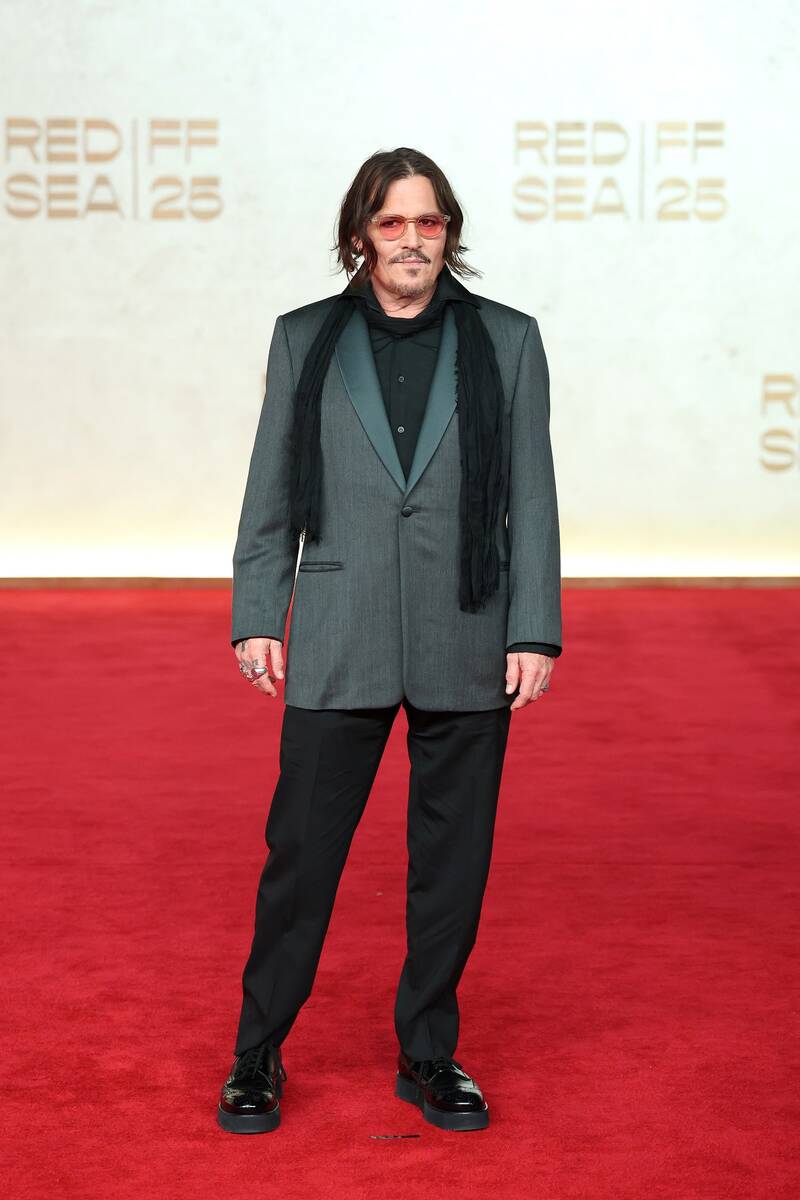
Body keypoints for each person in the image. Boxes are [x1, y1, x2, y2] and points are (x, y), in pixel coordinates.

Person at [217, 147, 562, 1134]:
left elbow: (531, 494)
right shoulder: (304, 337)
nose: (412, 240)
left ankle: (428, 1053)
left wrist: (534, 627)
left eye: (429, 221)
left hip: (469, 627)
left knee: (451, 865)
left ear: (449, 232)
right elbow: (271, 486)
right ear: (360, 235)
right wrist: (257, 611)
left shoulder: (507, 339)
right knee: (300, 856)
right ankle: (257, 1050)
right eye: (392, 222)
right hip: (340, 627)